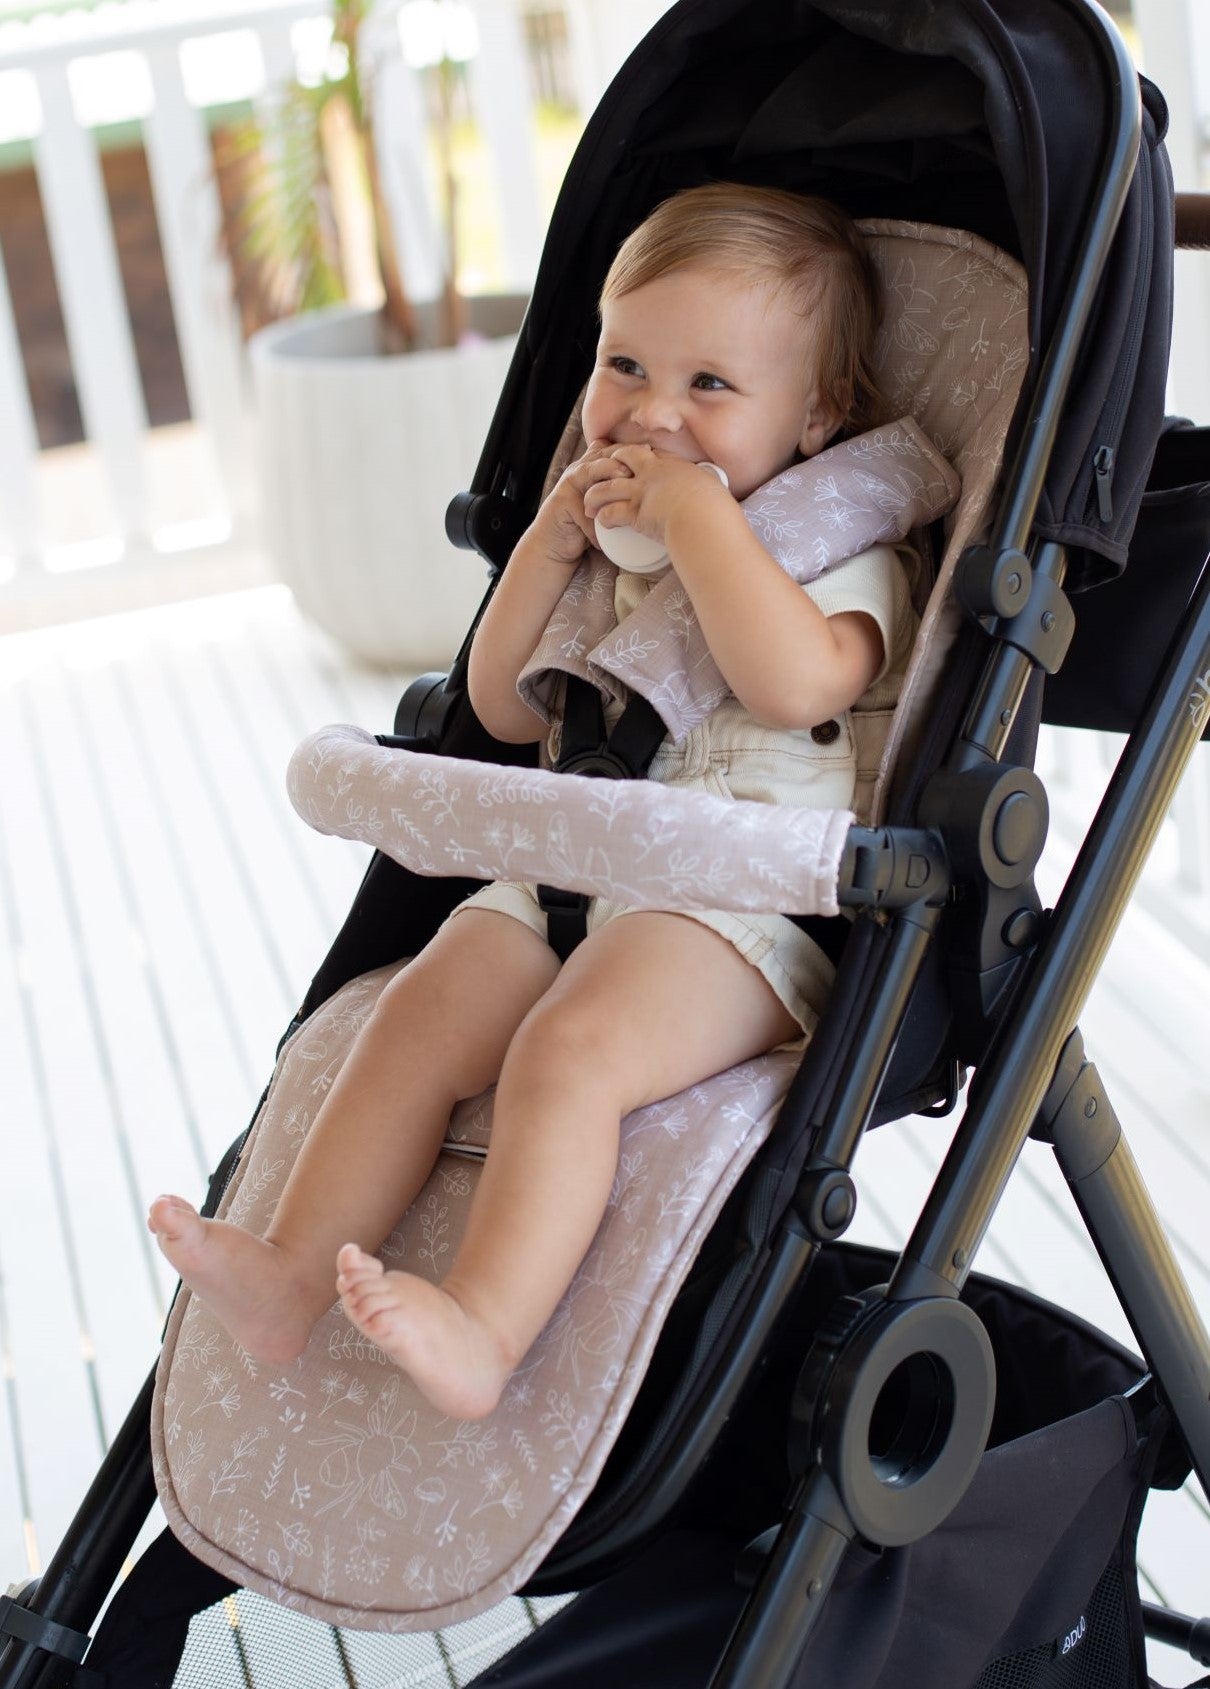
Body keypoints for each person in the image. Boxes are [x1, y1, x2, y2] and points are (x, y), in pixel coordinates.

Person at [149, 183, 915, 1422]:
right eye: (625, 366)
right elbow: (504, 708)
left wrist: (702, 525)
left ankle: (484, 1327)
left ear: (816, 415)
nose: (652, 413)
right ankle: (290, 1275)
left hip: (735, 908)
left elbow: (791, 684)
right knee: (418, 1014)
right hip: (575, 869)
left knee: (568, 1051)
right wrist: (550, 551)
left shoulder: (842, 545)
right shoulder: (611, 549)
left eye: (710, 385)